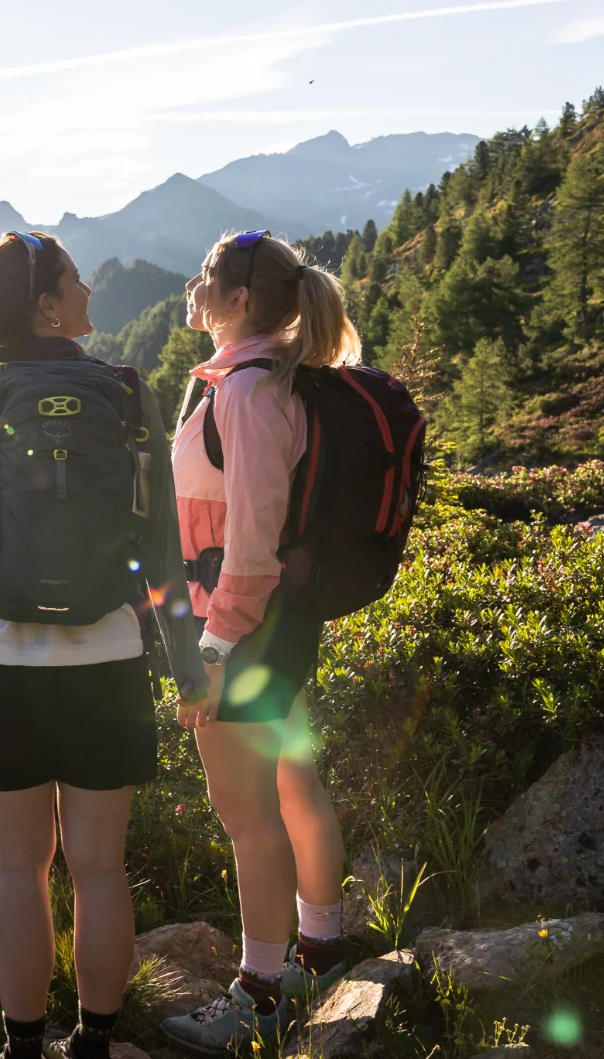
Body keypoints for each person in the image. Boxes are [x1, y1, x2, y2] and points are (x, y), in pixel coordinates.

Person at [0, 231, 200, 1059]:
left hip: (1, 671)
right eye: (77, 281)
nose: (92, 294)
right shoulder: (125, 393)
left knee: (18, 872)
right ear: (45, 304)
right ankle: (96, 1044)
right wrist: (184, 664)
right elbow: (163, 549)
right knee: (99, 870)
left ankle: (23, 1047)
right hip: (107, 665)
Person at [160, 230, 363, 1054]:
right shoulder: (284, 380)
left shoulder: (245, 394)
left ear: (238, 300)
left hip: (240, 626)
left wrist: (209, 651)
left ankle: (260, 994)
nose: (195, 288)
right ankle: (320, 947)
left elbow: (247, 548)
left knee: (247, 816)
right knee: (295, 784)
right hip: (283, 621)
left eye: (207, 277)